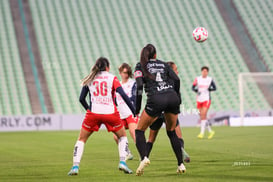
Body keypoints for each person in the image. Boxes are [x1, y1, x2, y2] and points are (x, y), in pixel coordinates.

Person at [67, 57, 136, 175]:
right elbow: (123, 94)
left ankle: (75, 167)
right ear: (108, 67)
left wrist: (89, 110)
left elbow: (81, 99)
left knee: (81, 139)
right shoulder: (112, 78)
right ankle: (122, 163)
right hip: (110, 113)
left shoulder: (90, 78)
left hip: (93, 113)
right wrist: (134, 111)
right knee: (122, 137)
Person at [134, 44, 186, 176]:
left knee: (139, 131)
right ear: (155, 55)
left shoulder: (140, 66)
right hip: (172, 97)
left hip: (156, 98)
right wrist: (178, 97)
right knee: (172, 132)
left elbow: (140, 85)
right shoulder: (164, 64)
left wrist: (137, 107)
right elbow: (177, 79)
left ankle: (144, 157)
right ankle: (180, 164)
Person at [146, 61, 190, 163]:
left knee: (151, 138)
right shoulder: (174, 82)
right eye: (176, 70)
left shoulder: (159, 81)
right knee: (177, 135)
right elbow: (177, 99)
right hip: (169, 111)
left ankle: (144, 157)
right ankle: (181, 151)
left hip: (157, 110)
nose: (177, 72)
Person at [114, 63, 138, 161]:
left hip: (130, 112)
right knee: (116, 137)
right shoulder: (117, 85)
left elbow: (134, 97)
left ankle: (144, 154)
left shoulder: (133, 83)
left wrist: (136, 111)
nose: (126, 75)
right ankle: (127, 152)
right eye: (124, 73)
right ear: (120, 73)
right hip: (121, 114)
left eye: (127, 73)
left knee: (134, 133)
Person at [192, 66, 216, 139]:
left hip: (206, 99)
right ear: (201, 72)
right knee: (202, 116)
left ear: (207, 72)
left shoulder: (210, 79)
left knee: (203, 114)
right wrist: (196, 91)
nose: (204, 73)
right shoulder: (197, 79)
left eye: (206, 71)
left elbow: (214, 88)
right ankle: (210, 131)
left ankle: (201, 133)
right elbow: (193, 87)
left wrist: (209, 89)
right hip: (199, 99)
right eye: (203, 71)